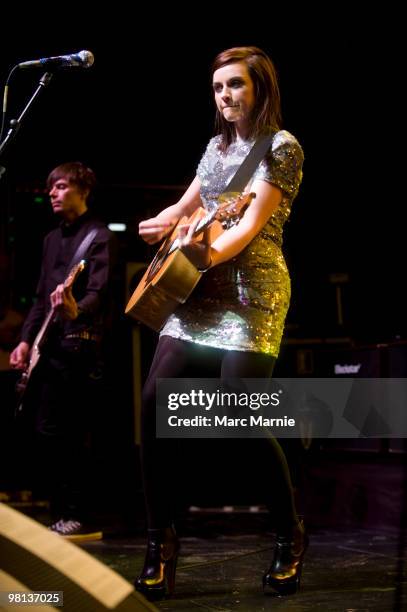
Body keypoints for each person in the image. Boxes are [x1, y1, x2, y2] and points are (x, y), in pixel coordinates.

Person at [135, 46, 307, 599]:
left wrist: (204, 253)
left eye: (236, 85)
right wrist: (159, 224)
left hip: (252, 292)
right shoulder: (214, 147)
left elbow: (248, 225)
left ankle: (289, 534)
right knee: (153, 404)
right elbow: (190, 206)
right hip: (198, 291)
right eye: (217, 88)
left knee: (240, 408)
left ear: (259, 88)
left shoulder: (280, 147)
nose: (226, 96)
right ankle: (159, 540)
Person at [9, 161, 115, 541]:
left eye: (62, 186)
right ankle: (62, 513)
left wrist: (77, 309)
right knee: (45, 431)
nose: (52, 193)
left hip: (78, 346)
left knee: (71, 432)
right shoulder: (50, 240)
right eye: (51, 187)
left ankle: (79, 514)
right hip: (48, 346)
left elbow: (98, 294)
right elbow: (41, 297)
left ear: (83, 190)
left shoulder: (98, 237)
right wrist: (24, 340)